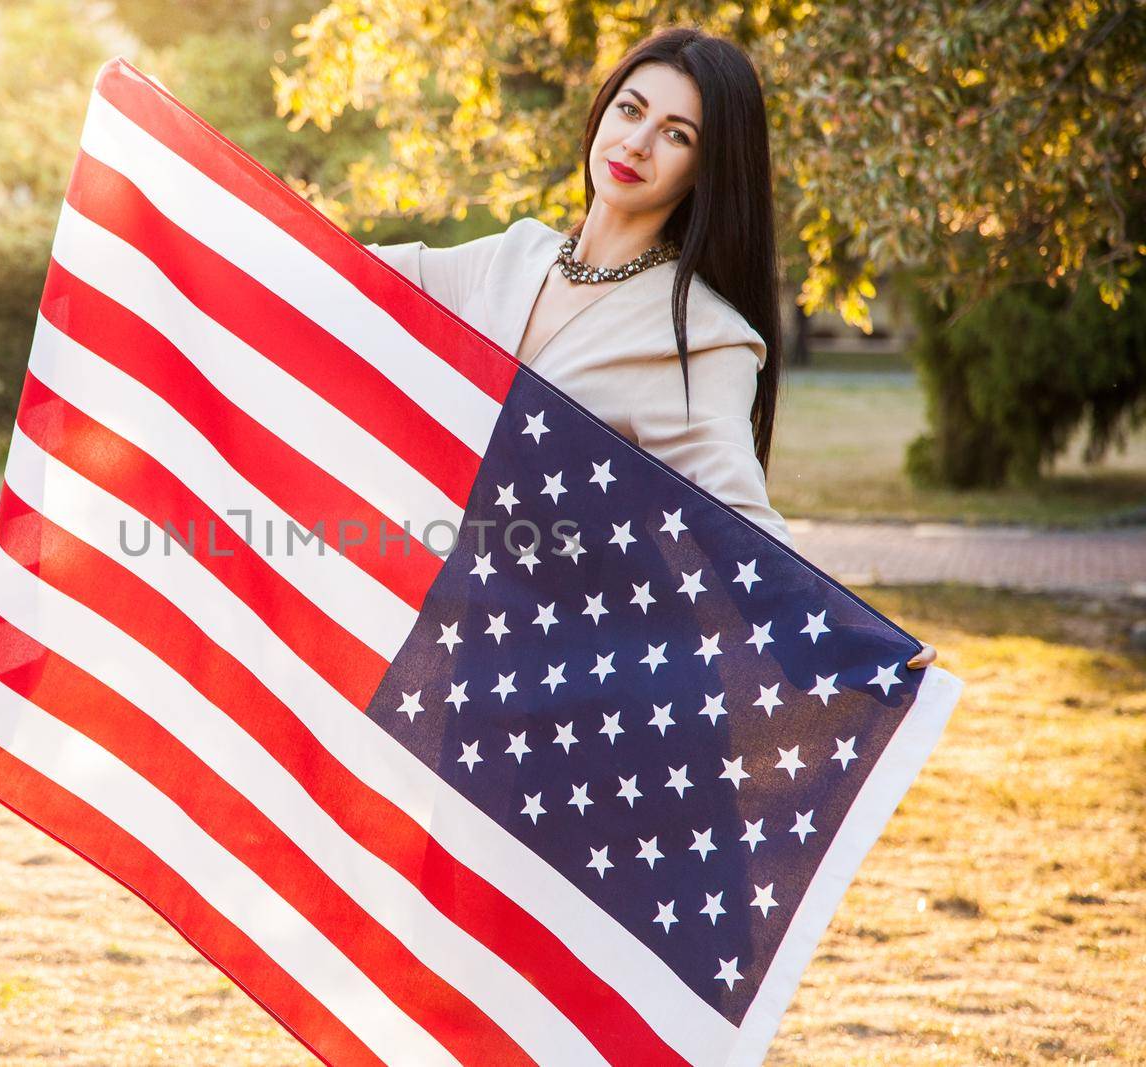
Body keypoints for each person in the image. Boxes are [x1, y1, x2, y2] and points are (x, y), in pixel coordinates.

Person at [367, 26, 938, 671]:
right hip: (463, 648)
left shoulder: (703, 334)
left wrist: (846, 634)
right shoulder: (508, 257)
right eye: (631, 110)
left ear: (705, 169)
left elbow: (739, 514)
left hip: (580, 680)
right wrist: (231, 228)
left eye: (676, 134)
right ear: (603, 110)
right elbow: (336, 274)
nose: (636, 144)